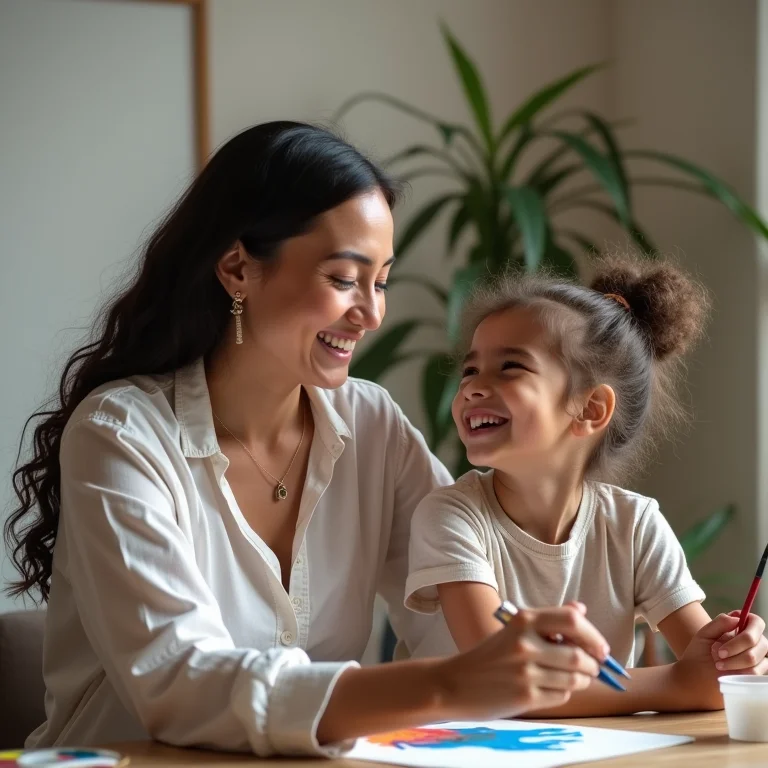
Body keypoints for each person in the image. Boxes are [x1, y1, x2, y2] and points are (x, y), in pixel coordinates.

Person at [5, 122, 611, 757]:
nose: (372, 314)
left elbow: (463, 623)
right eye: (345, 279)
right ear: (238, 269)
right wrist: (450, 685)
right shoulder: (121, 433)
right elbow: (179, 683)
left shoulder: (372, 425)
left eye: (381, 282)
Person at [406, 257, 768, 716]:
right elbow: (501, 679)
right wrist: (676, 683)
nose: (473, 388)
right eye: (470, 370)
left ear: (591, 409)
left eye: (510, 367)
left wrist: (734, 656)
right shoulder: (450, 517)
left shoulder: (634, 525)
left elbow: (709, 668)